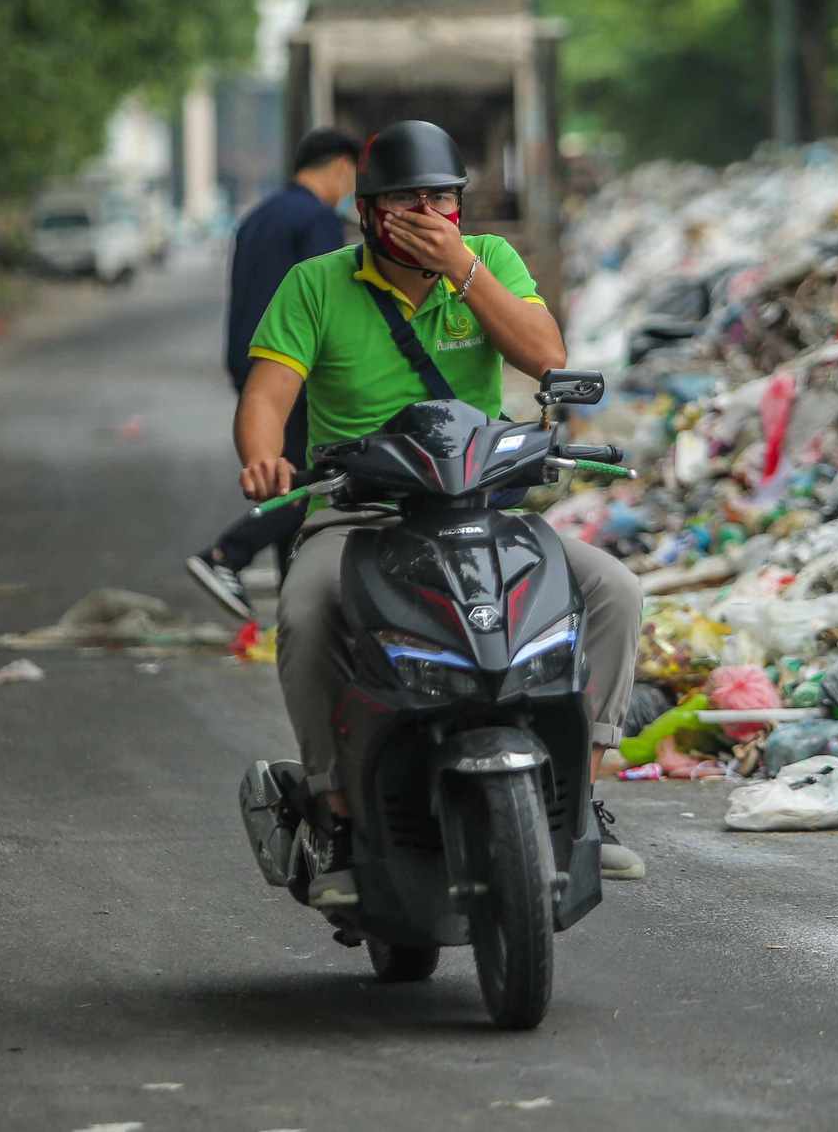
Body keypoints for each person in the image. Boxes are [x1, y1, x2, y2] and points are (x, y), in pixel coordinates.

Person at [234, 120, 646, 906]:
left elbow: (546, 355)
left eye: (441, 200)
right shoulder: (316, 285)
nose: (426, 212)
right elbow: (266, 397)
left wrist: (462, 270)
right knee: (309, 609)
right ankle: (338, 815)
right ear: (366, 211)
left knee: (611, 591)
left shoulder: (489, 263)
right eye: (405, 201)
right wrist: (263, 455)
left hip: (478, 508)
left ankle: (579, 801)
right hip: (359, 513)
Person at [186, 128, 360, 621]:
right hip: (293, 369)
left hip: (252, 364)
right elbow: (329, 303)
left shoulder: (258, 215)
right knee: (309, 485)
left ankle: (294, 605)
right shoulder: (317, 220)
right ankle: (226, 554)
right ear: (341, 169)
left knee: (287, 478)